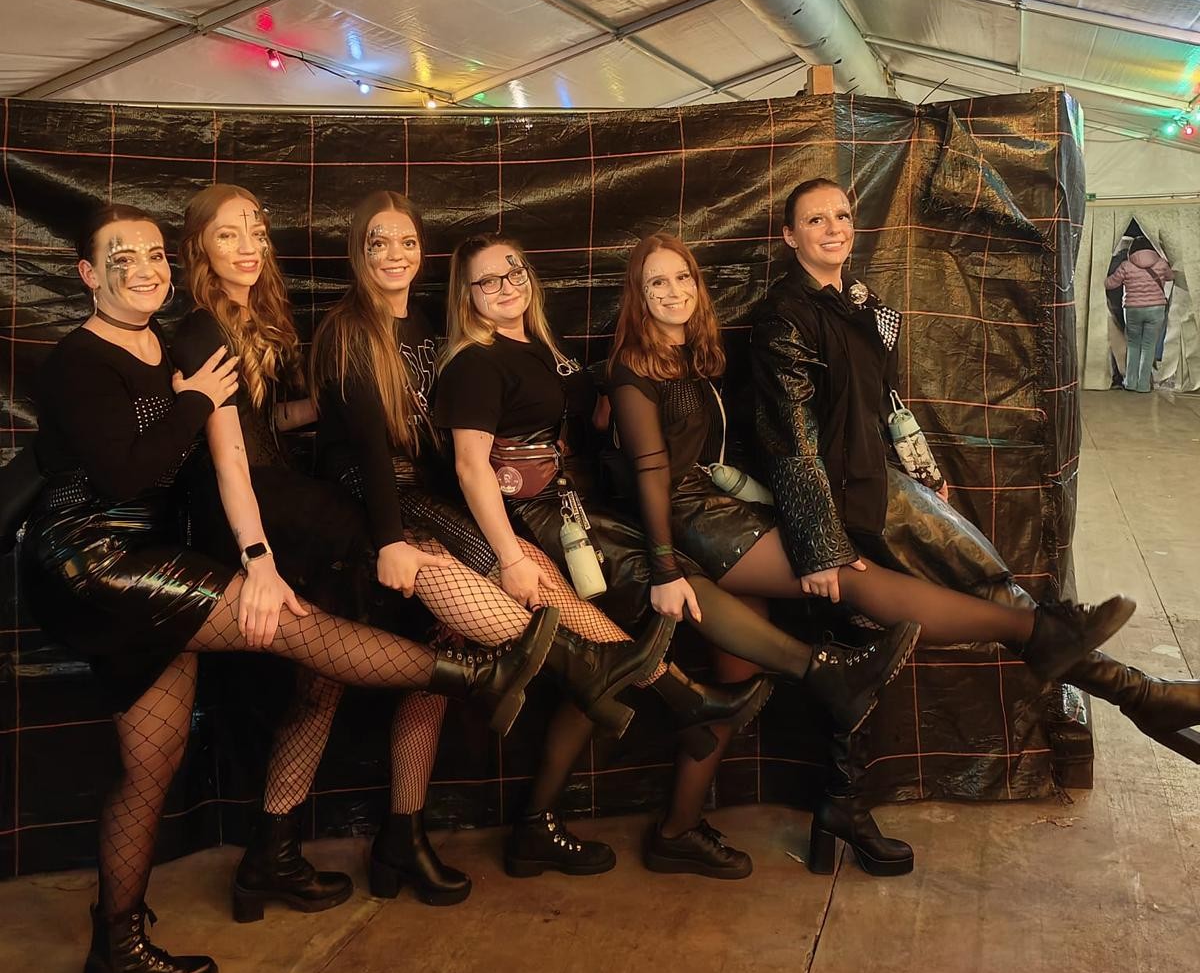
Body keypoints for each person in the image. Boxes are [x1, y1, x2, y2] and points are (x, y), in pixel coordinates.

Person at [16, 203, 554, 973]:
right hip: (92, 558)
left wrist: (307, 407)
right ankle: (479, 677)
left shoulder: (163, 343)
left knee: (151, 762)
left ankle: (114, 951)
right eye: (122, 258)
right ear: (89, 275)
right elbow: (129, 473)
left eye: (153, 255)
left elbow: (237, 433)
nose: (144, 269)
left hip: (154, 560)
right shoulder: (81, 360)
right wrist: (247, 530)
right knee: (302, 631)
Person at [436, 234, 920, 878]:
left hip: (586, 513)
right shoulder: (476, 362)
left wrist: (600, 404)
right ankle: (821, 671)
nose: (506, 286)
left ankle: (552, 825)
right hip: (543, 524)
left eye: (514, 271)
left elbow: (572, 415)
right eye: (487, 281)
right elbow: (472, 467)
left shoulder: (543, 349)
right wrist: (512, 558)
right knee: (639, 619)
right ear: (465, 295)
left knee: (602, 666)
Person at [751, 177, 1199, 865]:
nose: (834, 228)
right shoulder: (784, 317)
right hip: (847, 503)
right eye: (816, 220)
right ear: (790, 236)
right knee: (982, 598)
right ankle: (1142, 696)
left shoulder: (861, 301)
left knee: (886, 646)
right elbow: (791, 440)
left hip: (886, 481)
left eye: (841, 214)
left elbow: (886, 401)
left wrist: (924, 468)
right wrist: (819, 548)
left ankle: (841, 810)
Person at [309, 190, 673, 893]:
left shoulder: (424, 326)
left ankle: (402, 837)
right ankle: (624, 677)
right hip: (373, 508)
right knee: (350, 684)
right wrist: (391, 539)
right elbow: (370, 451)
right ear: (358, 251)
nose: (395, 254)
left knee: (440, 664)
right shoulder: (350, 329)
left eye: (407, 241)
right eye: (379, 242)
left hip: (427, 498)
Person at [1106, 242, 1174, 392]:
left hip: (1133, 309)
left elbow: (1111, 283)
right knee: (1148, 346)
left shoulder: (1126, 266)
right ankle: (1144, 385)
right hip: (1156, 309)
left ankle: (1130, 382)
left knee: (1133, 345)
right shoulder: (1161, 264)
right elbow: (1171, 276)